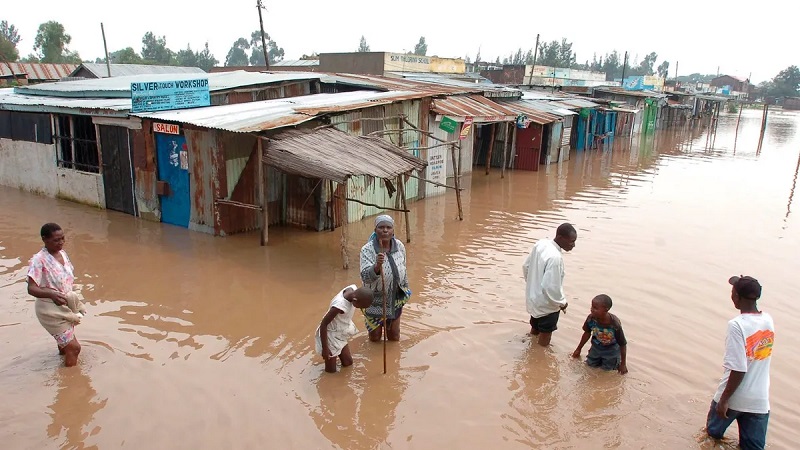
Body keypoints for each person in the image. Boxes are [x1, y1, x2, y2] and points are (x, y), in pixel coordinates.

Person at [706, 275, 774, 450]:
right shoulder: (768, 320)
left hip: (734, 397)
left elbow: (738, 369)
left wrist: (724, 400)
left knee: (712, 437)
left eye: (732, 291)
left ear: (736, 297)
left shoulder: (736, 325)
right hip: (759, 402)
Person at [26, 223, 83, 367]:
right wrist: (51, 294)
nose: (61, 243)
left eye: (63, 239)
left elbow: (67, 279)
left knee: (65, 346)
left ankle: (63, 361)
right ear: (45, 239)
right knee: (74, 348)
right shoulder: (38, 260)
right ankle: (70, 382)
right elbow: (31, 288)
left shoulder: (63, 253)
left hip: (64, 305)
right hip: (50, 310)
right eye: (56, 240)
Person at [522, 223, 577, 346]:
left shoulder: (541, 244)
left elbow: (526, 266)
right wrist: (562, 303)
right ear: (560, 237)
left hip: (534, 299)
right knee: (545, 336)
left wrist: (532, 286)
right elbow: (550, 287)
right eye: (571, 241)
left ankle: (530, 348)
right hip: (547, 306)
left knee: (535, 328)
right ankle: (538, 360)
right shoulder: (555, 258)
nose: (573, 245)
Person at [360, 215, 411, 343]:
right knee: (375, 337)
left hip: (395, 298)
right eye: (381, 227)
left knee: (394, 336)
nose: (385, 230)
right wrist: (377, 266)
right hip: (374, 299)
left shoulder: (399, 246)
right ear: (375, 230)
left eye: (388, 227)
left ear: (393, 230)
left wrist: (405, 291)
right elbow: (365, 277)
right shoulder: (367, 250)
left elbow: (404, 270)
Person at [315, 285, 374, 373]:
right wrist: (325, 348)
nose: (361, 309)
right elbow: (324, 324)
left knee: (348, 363)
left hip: (340, 332)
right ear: (355, 300)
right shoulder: (339, 306)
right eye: (360, 306)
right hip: (330, 336)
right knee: (331, 371)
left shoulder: (353, 288)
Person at [571, 294, 628, 374]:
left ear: (606, 309)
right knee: (589, 366)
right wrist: (578, 349)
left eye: (595, 308)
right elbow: (587, 333)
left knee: (607, 372)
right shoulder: (591, 319)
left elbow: (622, 344)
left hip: (611, 351)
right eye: (592, 307)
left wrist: (623, 364)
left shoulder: (614, 324)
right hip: (596, 348)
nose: (592, 310)